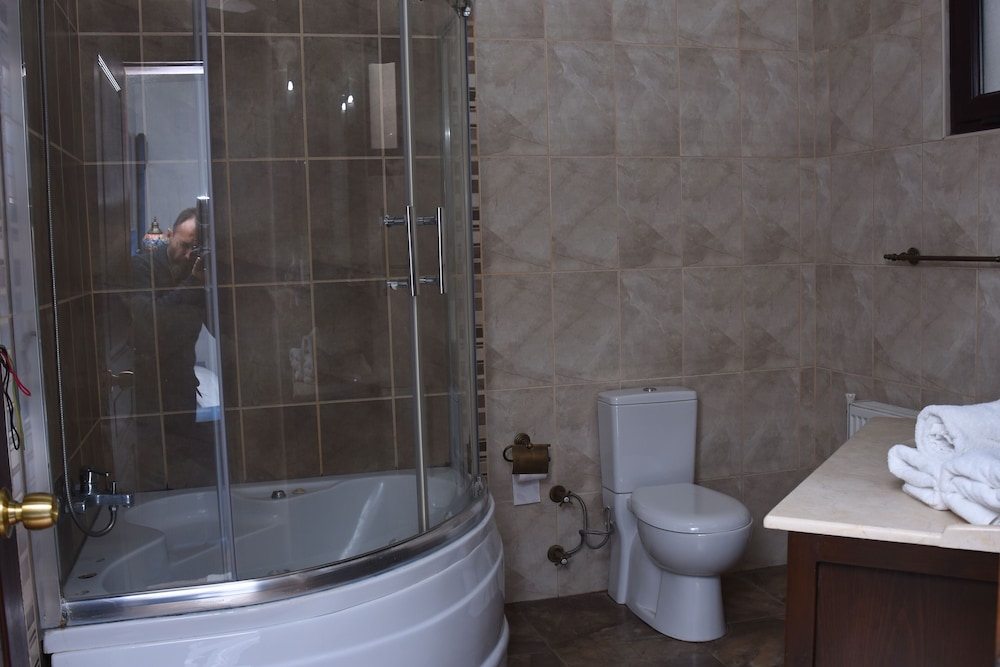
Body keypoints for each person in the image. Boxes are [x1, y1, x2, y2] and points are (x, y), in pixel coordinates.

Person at [130, 207, 207, 417]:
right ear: (169, 235)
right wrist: (192, 283)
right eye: (184, 245)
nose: (188, 255)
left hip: (183, 389)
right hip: (147, 391)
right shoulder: (141, 267)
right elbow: (150, 320)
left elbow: (218, 325)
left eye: (195, 248)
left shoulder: (197, 273)